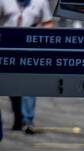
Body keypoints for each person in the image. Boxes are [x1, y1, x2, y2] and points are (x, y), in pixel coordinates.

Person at [2, 0, 53, 135]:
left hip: (31, 49)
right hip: (9, 49)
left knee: (29, 85)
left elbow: (48, 23)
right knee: (13, 88)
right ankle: (19, 117)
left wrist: (45, 40)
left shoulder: (41, 2)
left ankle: (27, 120)